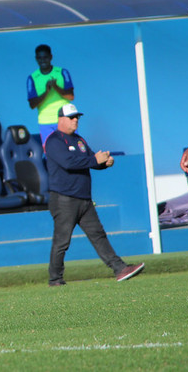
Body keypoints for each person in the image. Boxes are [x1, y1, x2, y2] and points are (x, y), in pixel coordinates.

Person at [44, 103, 144, 286]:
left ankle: (120, 268)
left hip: (84, 199)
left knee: (98, 235)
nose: (76, 120)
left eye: (77, 117)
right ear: (61, 119)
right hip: (64, 199)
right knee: (62, 241)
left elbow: (89, 160)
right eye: (72, 117)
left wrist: (103, 163)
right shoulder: (54, 141)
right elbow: (68, 162)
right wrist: (94, 160)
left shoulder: (79, 140)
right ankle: (55, 279)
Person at [27, 44, 74, 144]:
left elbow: (71, 96)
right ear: (36, 59)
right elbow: (32, 105)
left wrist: (56, 87)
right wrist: (47, 91)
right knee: (50, 153)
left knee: (72, 150)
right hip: (45, 122)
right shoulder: (32, 78)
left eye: (45, 57)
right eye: (39, 58)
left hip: (65, 119)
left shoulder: (62, 72)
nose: (42, 60)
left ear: (51, 57)